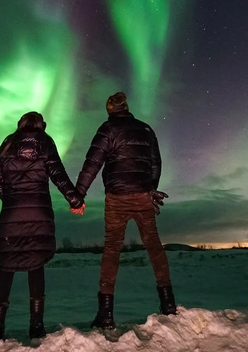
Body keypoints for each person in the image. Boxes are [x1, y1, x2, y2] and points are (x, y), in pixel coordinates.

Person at [75, 92, 175, 329]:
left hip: (117, 198)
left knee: (111, 250)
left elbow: (92, 163)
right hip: (142, 196)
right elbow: (155, 163)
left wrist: (78, 195)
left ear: (110, 111)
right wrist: (150, 188)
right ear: (126, 108)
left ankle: (106, 313)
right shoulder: (146, 130)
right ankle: (169, 303)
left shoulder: (107, 129)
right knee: (154, 246)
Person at [0, 111, 85, 342]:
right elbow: (58, 174)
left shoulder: (8, 142)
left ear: (20, 124)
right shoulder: (45, 141)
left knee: (6, 265)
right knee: (36, 262)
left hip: (11, 212)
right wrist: (75, 200)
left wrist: (10, 199)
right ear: (41, 125)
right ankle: (36, 326)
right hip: (39, 210)